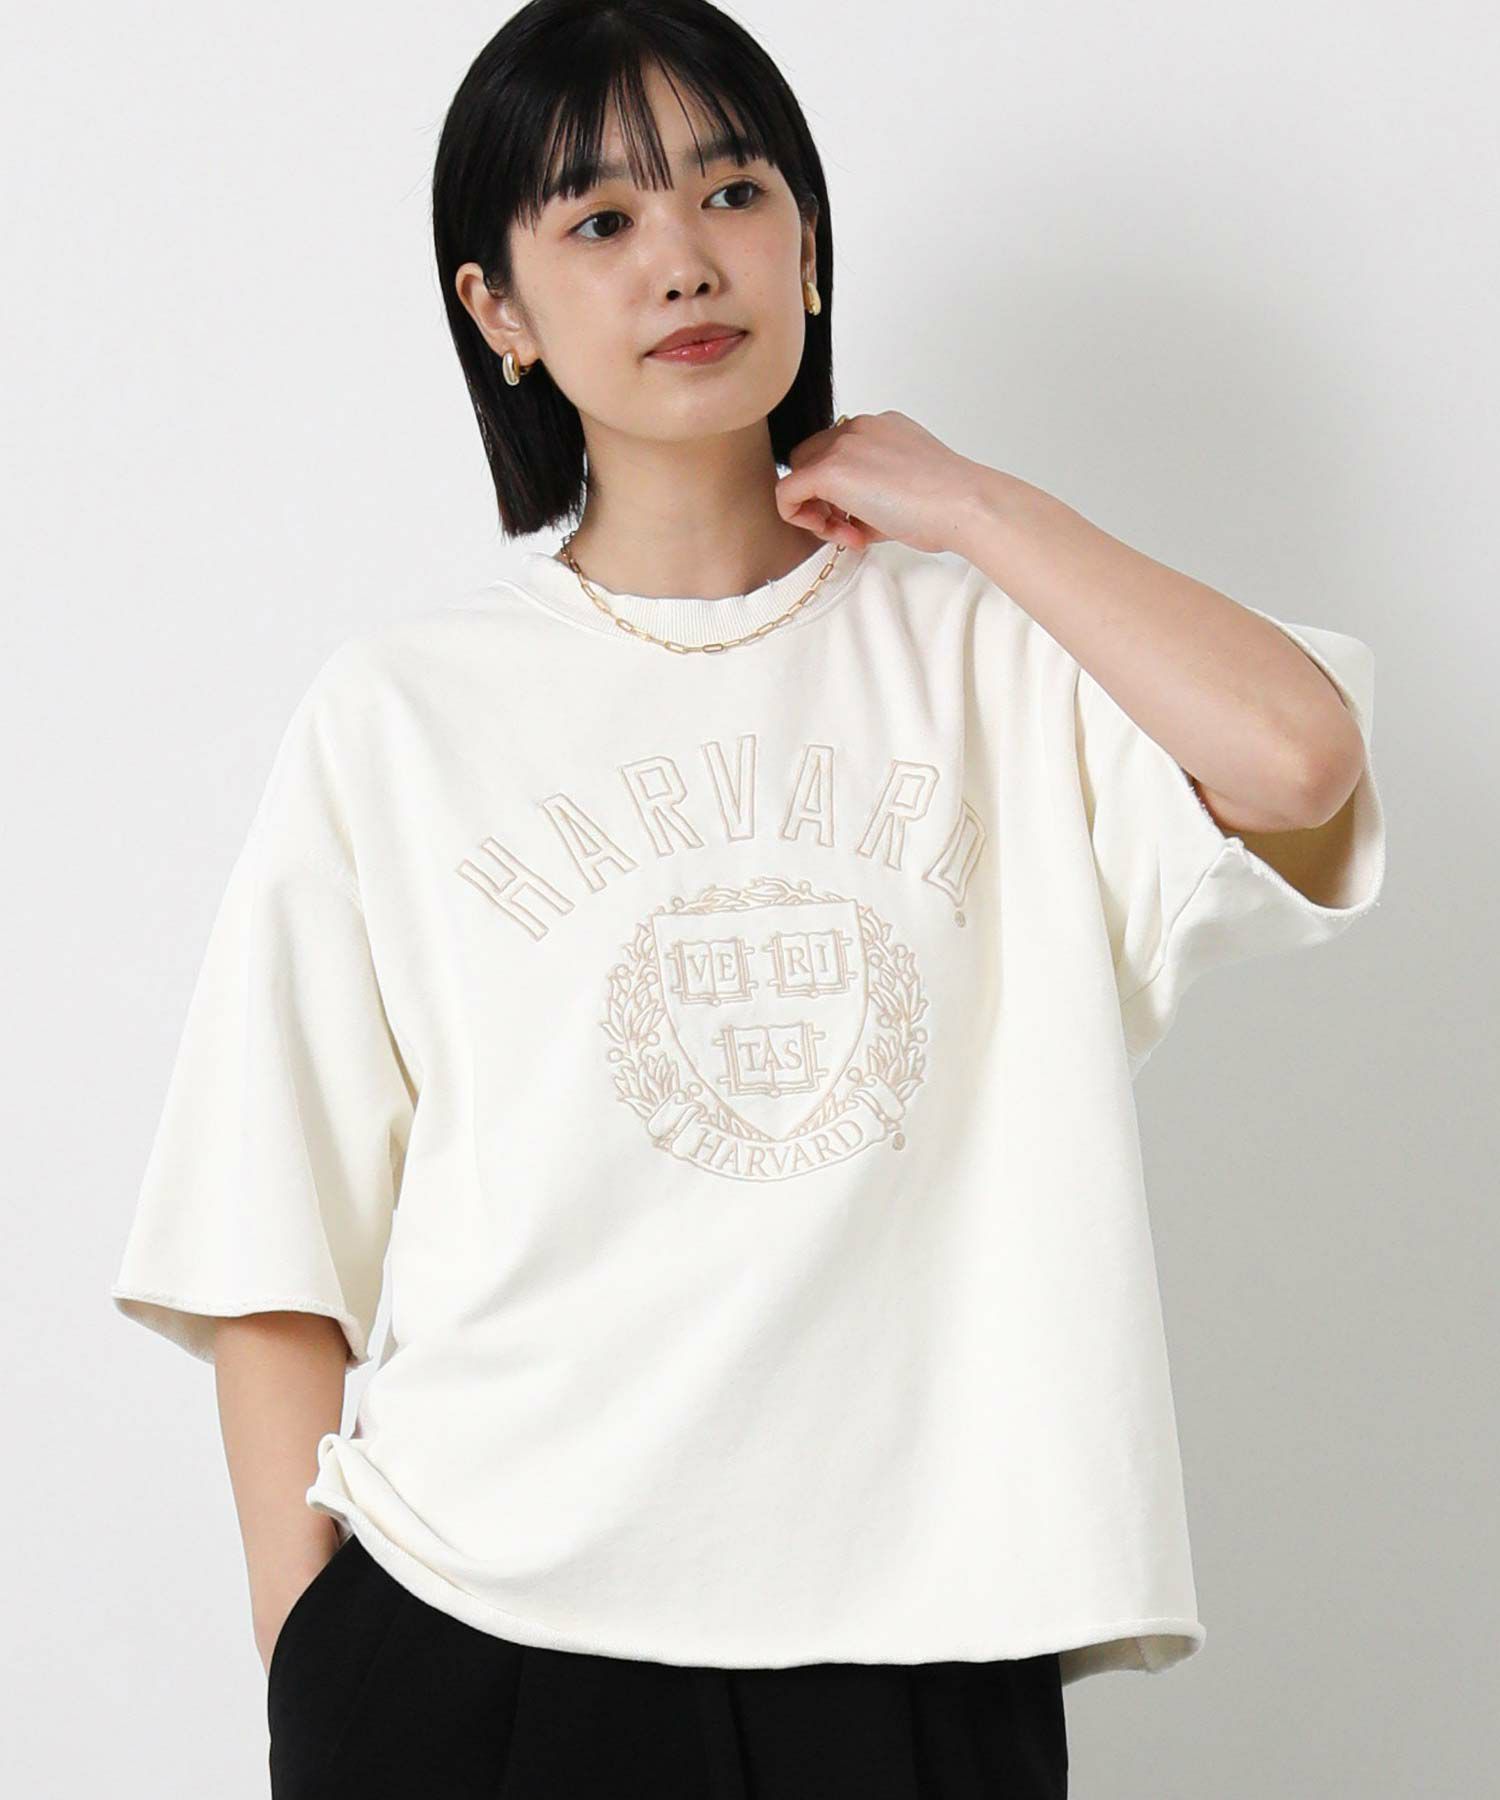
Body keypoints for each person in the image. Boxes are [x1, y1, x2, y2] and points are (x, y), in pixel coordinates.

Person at [109, 2, 1387, 1795]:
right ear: (498, 309)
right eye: (601, 220)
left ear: (807, 240)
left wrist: (977, 506)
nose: (684, 261)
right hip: (480, 1636)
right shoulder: (403, 714)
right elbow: (270, 1226)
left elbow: (1299, 761)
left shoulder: (999, 653)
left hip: (919, 1641)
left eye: (732, 191)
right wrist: (308, 1657)